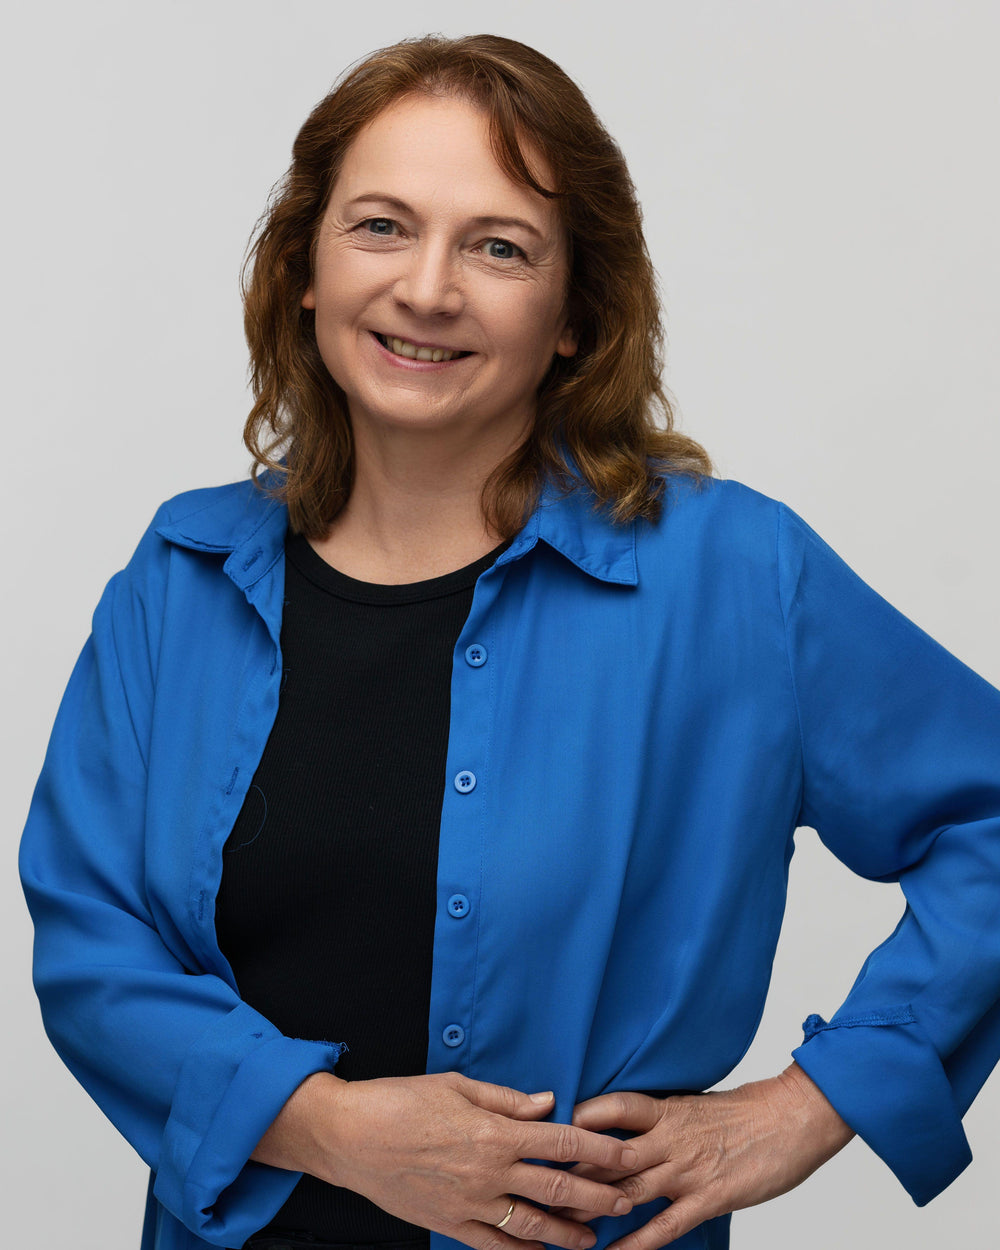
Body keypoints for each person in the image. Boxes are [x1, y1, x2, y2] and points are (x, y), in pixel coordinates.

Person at [19, 32, 1000, 1250]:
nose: (428, 289)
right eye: (381, 226)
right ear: (306, 266)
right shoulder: (180, 580)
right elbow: (92, 937)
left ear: (576, 311)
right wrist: (329, 1126)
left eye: (498, 246)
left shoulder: (734, 574)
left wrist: (817, 1101)